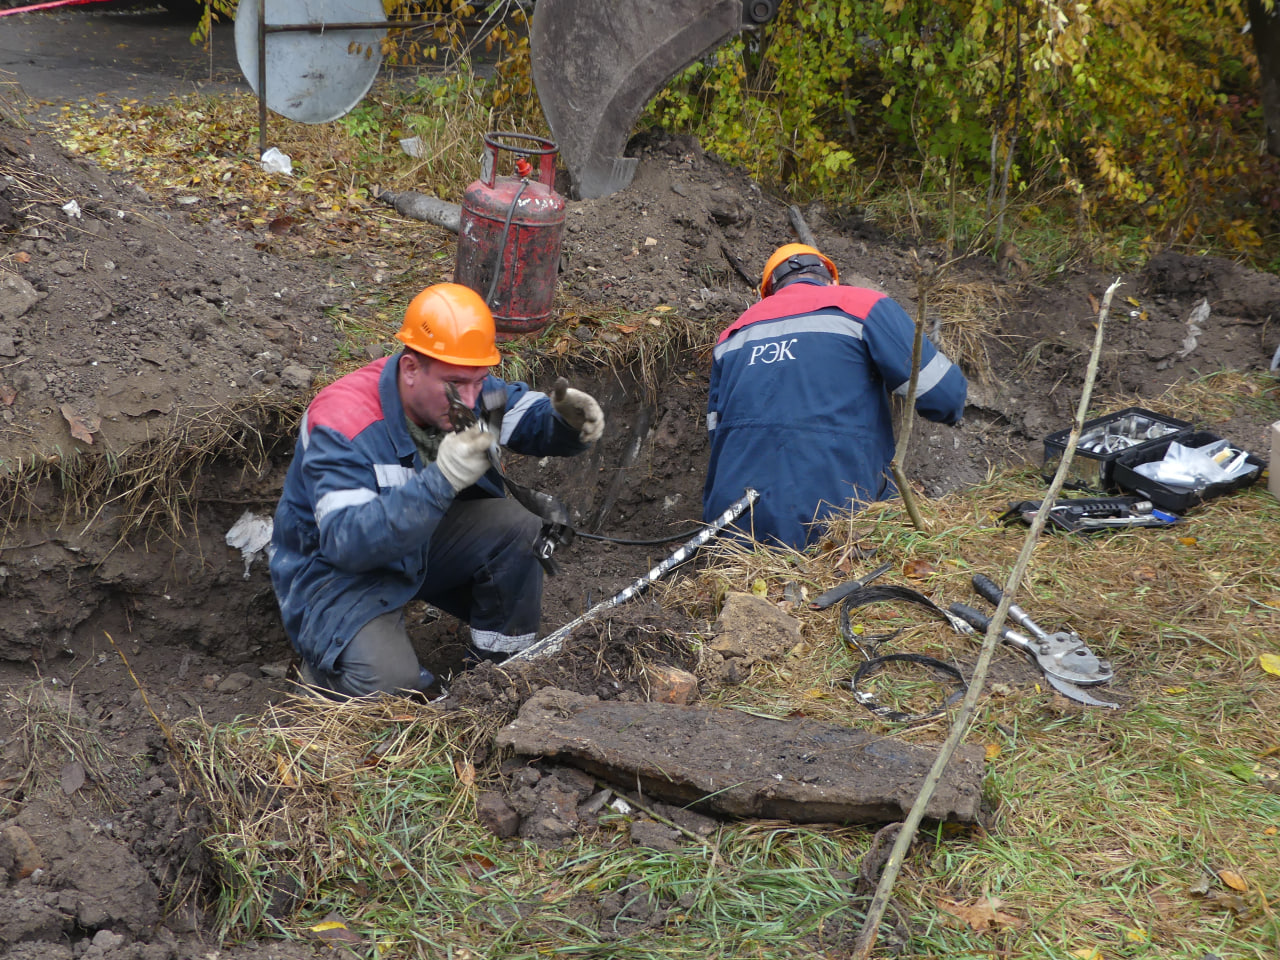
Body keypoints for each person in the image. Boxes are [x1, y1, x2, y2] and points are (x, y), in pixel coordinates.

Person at [270, 283, 604, 698]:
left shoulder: (464, 386)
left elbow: (521, 412)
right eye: (455, 383)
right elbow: (347, 544)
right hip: (335, 576)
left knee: (519, 528)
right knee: (389, 686)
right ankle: (323, 679)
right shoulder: (343, 420)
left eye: (477, 381)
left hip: (414, 547)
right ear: (410, 369)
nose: (468, 398)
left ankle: (496, 678)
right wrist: (441, 479)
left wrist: (566, 423)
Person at [702, 243, 967, 549]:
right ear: (830, 279)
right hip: (837, 525)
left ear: (769, 291)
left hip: (735, 530)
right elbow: (945, 395)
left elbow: (717, 436)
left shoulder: (731, 336)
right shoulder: (863, 306)